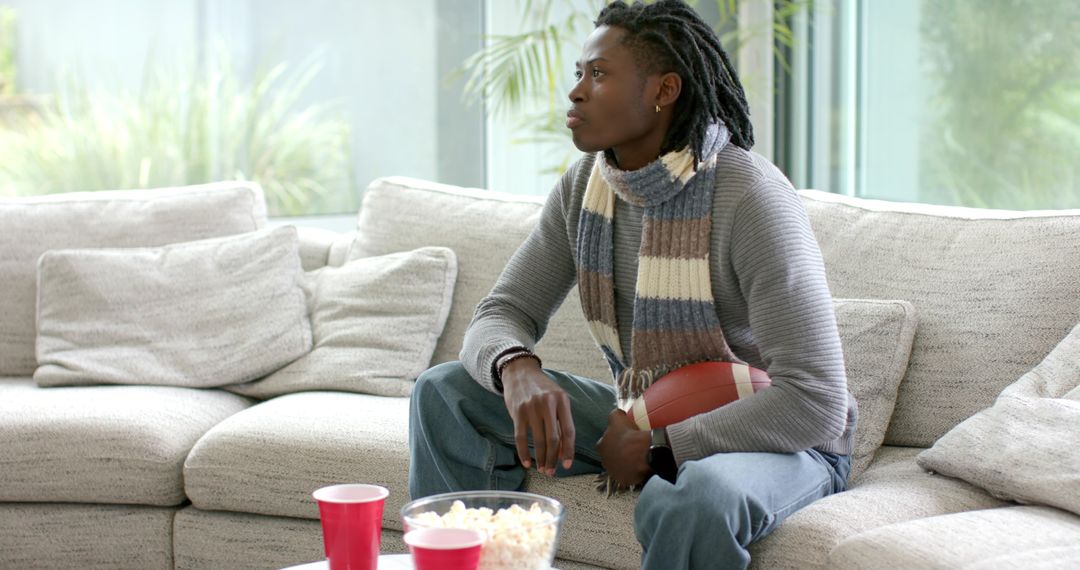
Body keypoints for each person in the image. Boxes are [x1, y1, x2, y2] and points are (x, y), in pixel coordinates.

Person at [408, 1, 856, 568]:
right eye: (579, 73)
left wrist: (665, 447)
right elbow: (501, 311)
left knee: (700, 497)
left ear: (663, 91)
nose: (575, 92)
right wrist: (516, 367)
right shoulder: (585, 189)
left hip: (777, 438)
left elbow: (815, 401)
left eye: (598, 75)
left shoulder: (751, 198)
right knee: (446, 391)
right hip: (644, 413)